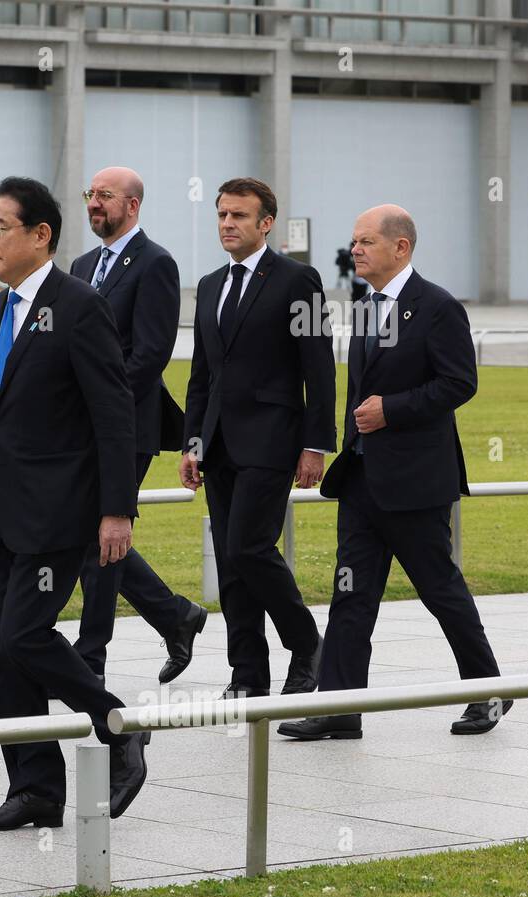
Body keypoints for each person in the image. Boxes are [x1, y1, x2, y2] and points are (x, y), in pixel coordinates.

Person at [0, 177, 147, 830]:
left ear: (40, 235)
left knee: (25, 634)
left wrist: (117, 510)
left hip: (58, 509)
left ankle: (120, 727)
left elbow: (115, 414)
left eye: (0, 227)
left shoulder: (78, 305)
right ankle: (34, 789)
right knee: (11, 653)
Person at [279, 205, 511, 741]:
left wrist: (393, 409)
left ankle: (490, 692)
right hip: (361, 480)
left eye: (365, 241)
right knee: (351, 594)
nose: (355, 250)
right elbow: (361, 394)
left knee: (440, 589)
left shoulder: (437, 307)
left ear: (400, 247)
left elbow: (459, 383)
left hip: (415, 482)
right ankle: (338, 707)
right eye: (354, 241)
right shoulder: (367, 307)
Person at [179, 178, 336, 699]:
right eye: (222, 215)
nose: (227, 224)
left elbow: (320, 366)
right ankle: (247, 676)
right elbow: (202, 375)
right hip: (218, 444)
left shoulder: (298, 279)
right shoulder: (208, 284)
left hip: (273, 439)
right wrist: (192, 443)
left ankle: (307, 643)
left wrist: (315, 443)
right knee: (230, 560)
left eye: (239, 216)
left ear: (266, 223)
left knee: (248, 548)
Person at [69, 166, 207, 683]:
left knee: (101, 535)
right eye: (91, 195)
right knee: (90, 534)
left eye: (104, 196)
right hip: (79, 425)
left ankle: (90, 660)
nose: (94, 204)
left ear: (133, 205)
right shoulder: (81, 265)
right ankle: (175, 616)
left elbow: (150, 355)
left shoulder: (155, 264)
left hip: (127, 424)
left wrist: (94, 399)